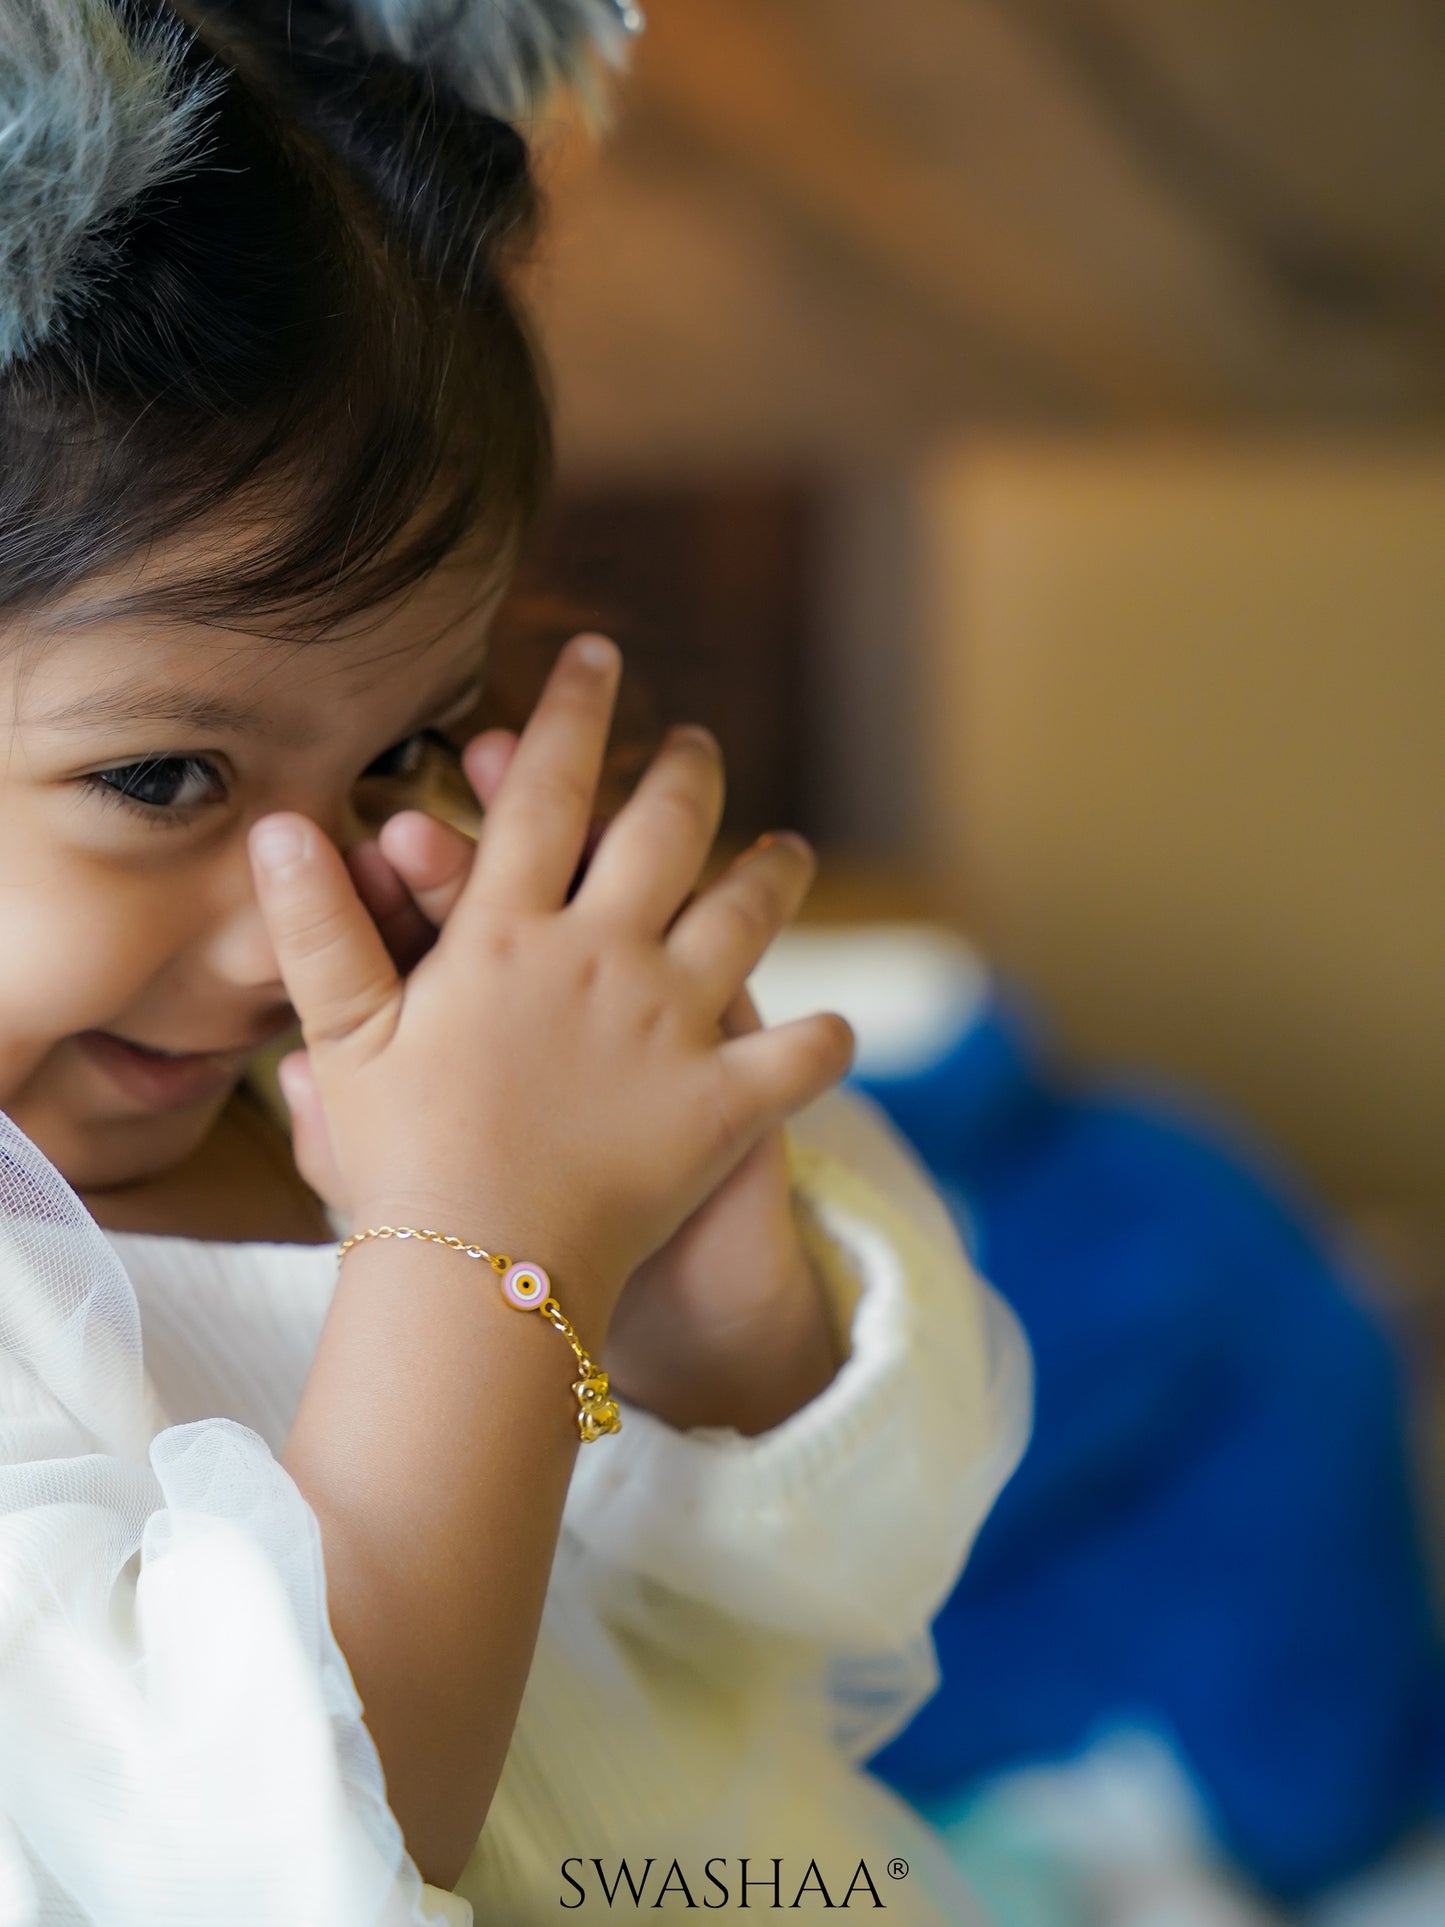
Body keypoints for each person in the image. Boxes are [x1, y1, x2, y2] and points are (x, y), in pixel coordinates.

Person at [0, 2, 1031, 1920]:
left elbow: (855, 1584)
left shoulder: (378, 1082)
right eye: (160, 776)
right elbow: (247, 1869)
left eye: (403, 746)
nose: (299, 916)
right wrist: (481, 1248)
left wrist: (706, 1315)